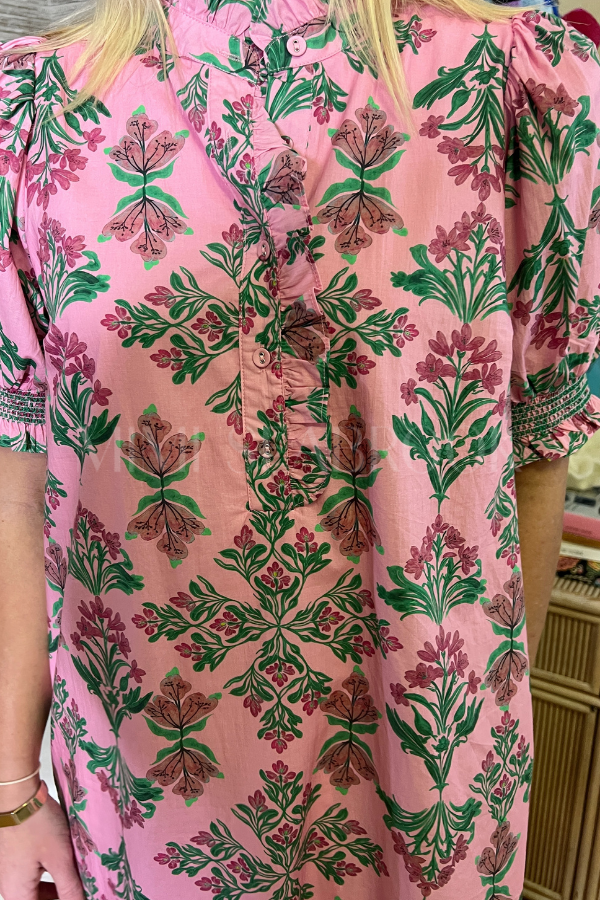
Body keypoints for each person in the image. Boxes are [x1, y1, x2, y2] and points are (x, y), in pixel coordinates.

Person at [0, 0, 599, 897]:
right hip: (153, 795)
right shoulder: (40, 110)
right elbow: (18, 485)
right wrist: (11, 790)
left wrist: (482, 736)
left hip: (430, 784)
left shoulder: (511, 88)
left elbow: (536, 454)